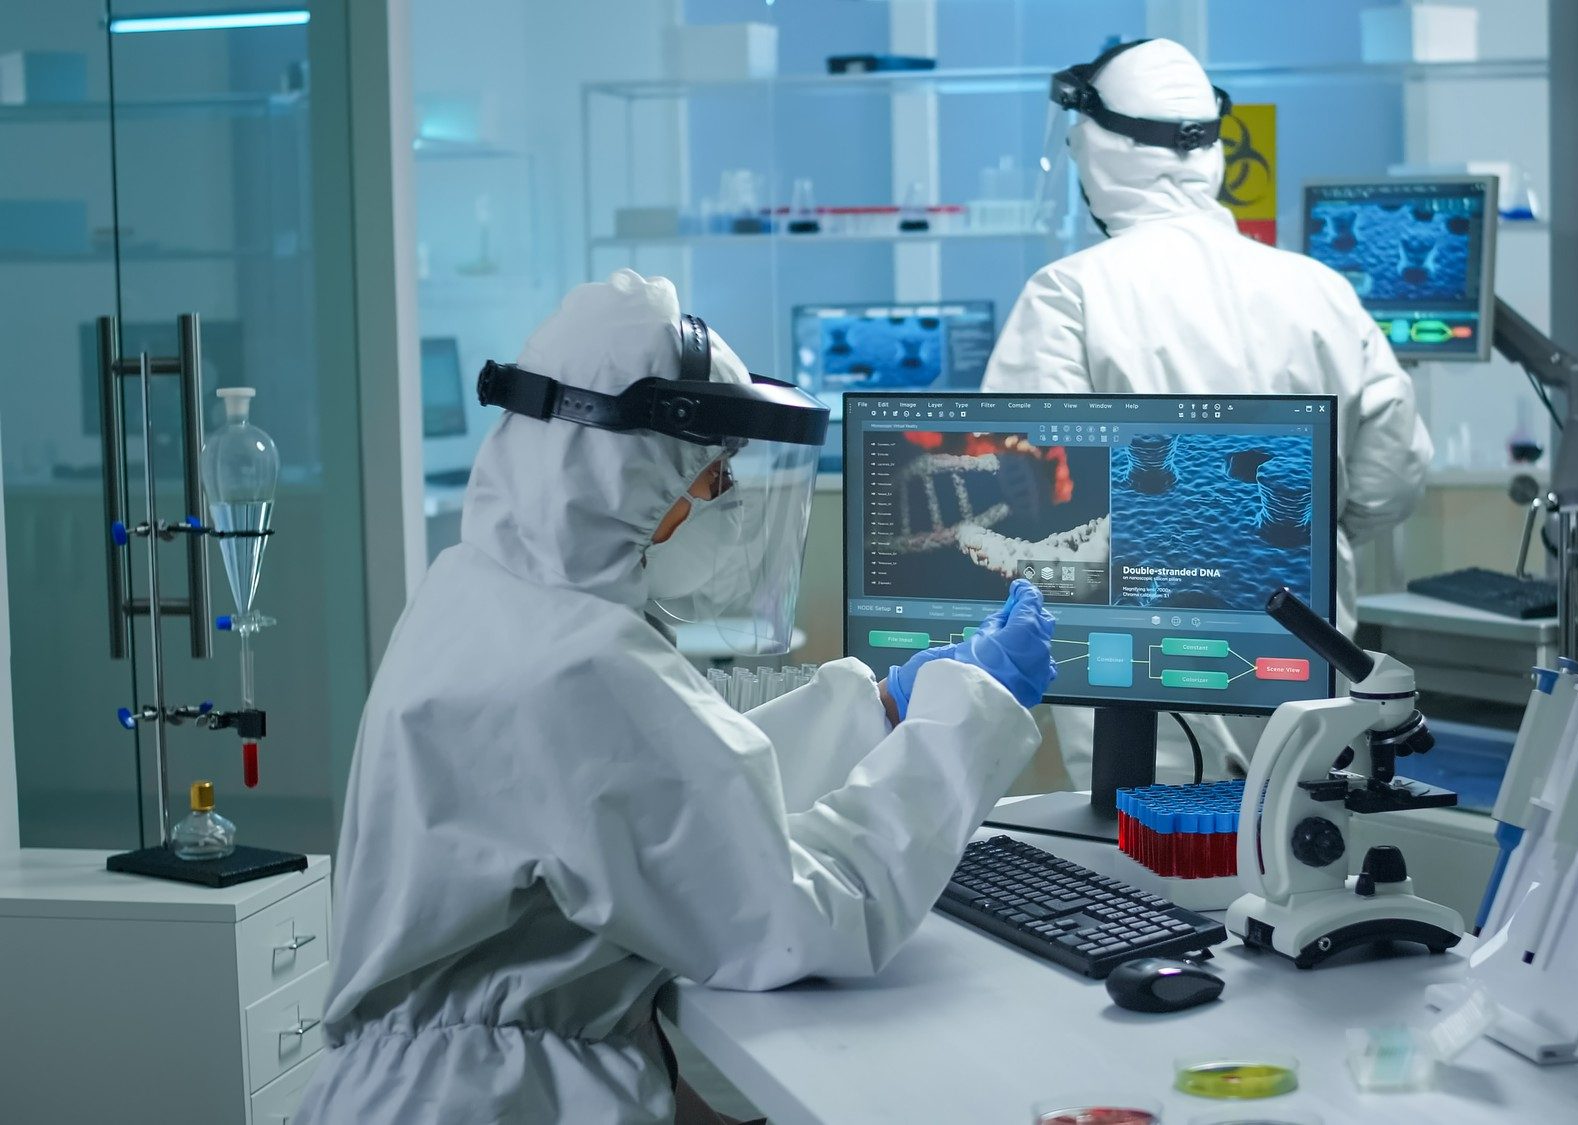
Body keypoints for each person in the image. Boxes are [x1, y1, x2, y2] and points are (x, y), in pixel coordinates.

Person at [294, 269, 1055, 1124]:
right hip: (495, 1101)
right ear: (626, 472)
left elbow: (669, 791)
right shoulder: (576, 669)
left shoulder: (489, 596)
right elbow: (803, 918)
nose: (725, 502)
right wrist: (970, 716)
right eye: (713, 476)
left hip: (448, 1084)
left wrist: (872, 712)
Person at [983, 38, 1431, 784]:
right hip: (1308, 670)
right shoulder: (1320, 291)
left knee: (1142, 884)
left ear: (1097, 151)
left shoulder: (1072, 295)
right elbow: (1392, 479)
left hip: (1141, 700)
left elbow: (1023, 507)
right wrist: (1299, 535)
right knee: (1299, 866)